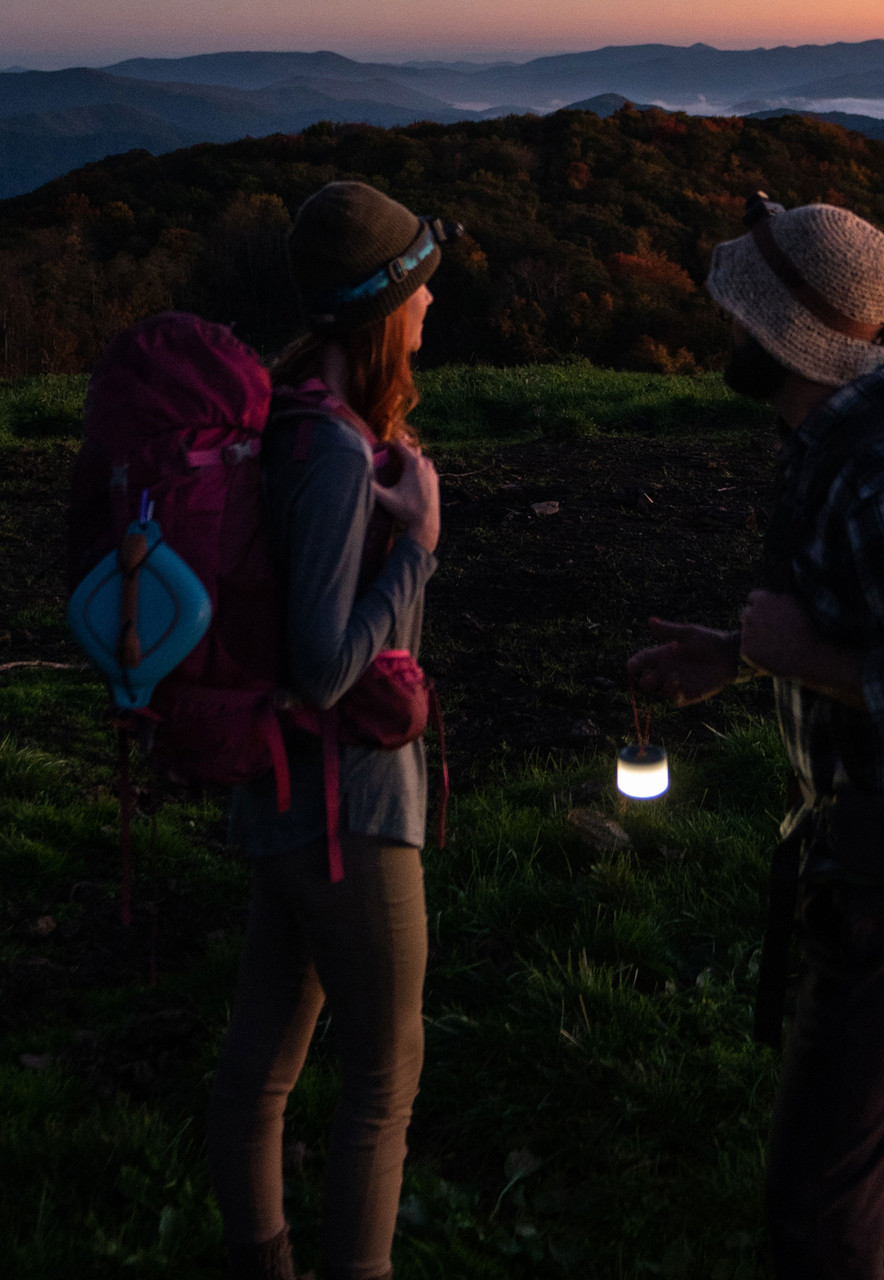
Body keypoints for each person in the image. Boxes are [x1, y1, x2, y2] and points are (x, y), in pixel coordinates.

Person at [628, 201, 884, 1279]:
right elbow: (865, 621)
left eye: (737, 315)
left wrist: (809, 660)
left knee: (818, 1201)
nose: (725, 330)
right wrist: (738, 650)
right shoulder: (840, 441)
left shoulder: (878, 479)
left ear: (782, 338)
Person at [207, 181, 446, 1280]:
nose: (432, 305)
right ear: (382, 311)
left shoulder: (294, 418)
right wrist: (418, 547)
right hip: (349, 810)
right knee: (382, 1079)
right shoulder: (339, 455)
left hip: (282, 796)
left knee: (261, 1066)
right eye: (419, 287)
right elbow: (319, 665)